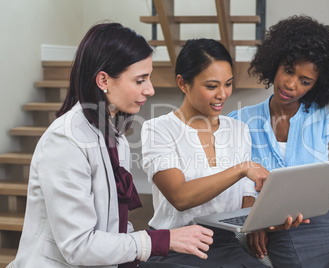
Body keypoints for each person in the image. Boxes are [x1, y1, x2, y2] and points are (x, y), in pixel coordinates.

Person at [12, 22, 214, 268]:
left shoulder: (114, 136)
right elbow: (78, 247)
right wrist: (162, 240)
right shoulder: (65, 141)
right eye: (140, 80)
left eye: (148, 78)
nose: (150, 89)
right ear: (103, 80)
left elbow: (116, 227)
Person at [141, 38, 306, 267]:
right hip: (174, 246)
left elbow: (246, 201)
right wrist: (241, 169)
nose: (223, 94)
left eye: (228, 84)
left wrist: (265, 221)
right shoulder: (158, 129)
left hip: (225, 246)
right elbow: (180, 197)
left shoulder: (239, 130)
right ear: (182, 83)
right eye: (211, 86)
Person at [228, 15, 329, 267]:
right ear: (275, 63)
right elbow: (233, 188)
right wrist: (255, 221)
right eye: (288, 70)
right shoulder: (239, 122)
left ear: (316, 86)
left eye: (305, 81)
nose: (290, 85)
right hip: (277, 226)